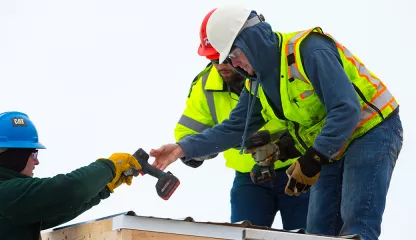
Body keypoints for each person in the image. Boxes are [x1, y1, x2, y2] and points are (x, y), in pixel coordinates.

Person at [150, 5, 403, 240]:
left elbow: (345, 109)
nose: (233, 64)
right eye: (227, 60)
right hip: (333, 143)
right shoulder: (257, 81)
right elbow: (234, 128)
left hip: (371, 131)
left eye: (234, 54)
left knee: (357, 221)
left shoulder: (309, 50)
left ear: (252, 41)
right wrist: (183, 148)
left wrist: (313, 159)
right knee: (319, 232)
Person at [173, 8, 309, 230]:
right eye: (212, 58)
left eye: (226, 56)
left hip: (296, 169)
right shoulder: (205, 86)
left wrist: (280, 144)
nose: (220, 65)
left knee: (309, 234)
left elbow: (306, 117)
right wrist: (196, 150)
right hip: (249, 180)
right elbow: (188, 132)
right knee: (243, 235)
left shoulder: (273, 70)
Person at [0, 111, 142, 240]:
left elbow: (63, 206)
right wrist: (109, 166)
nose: (36, 162)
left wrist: (104, 188)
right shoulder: (5, 196)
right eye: (34, 154)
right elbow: (72, 189)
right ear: (17, 155)